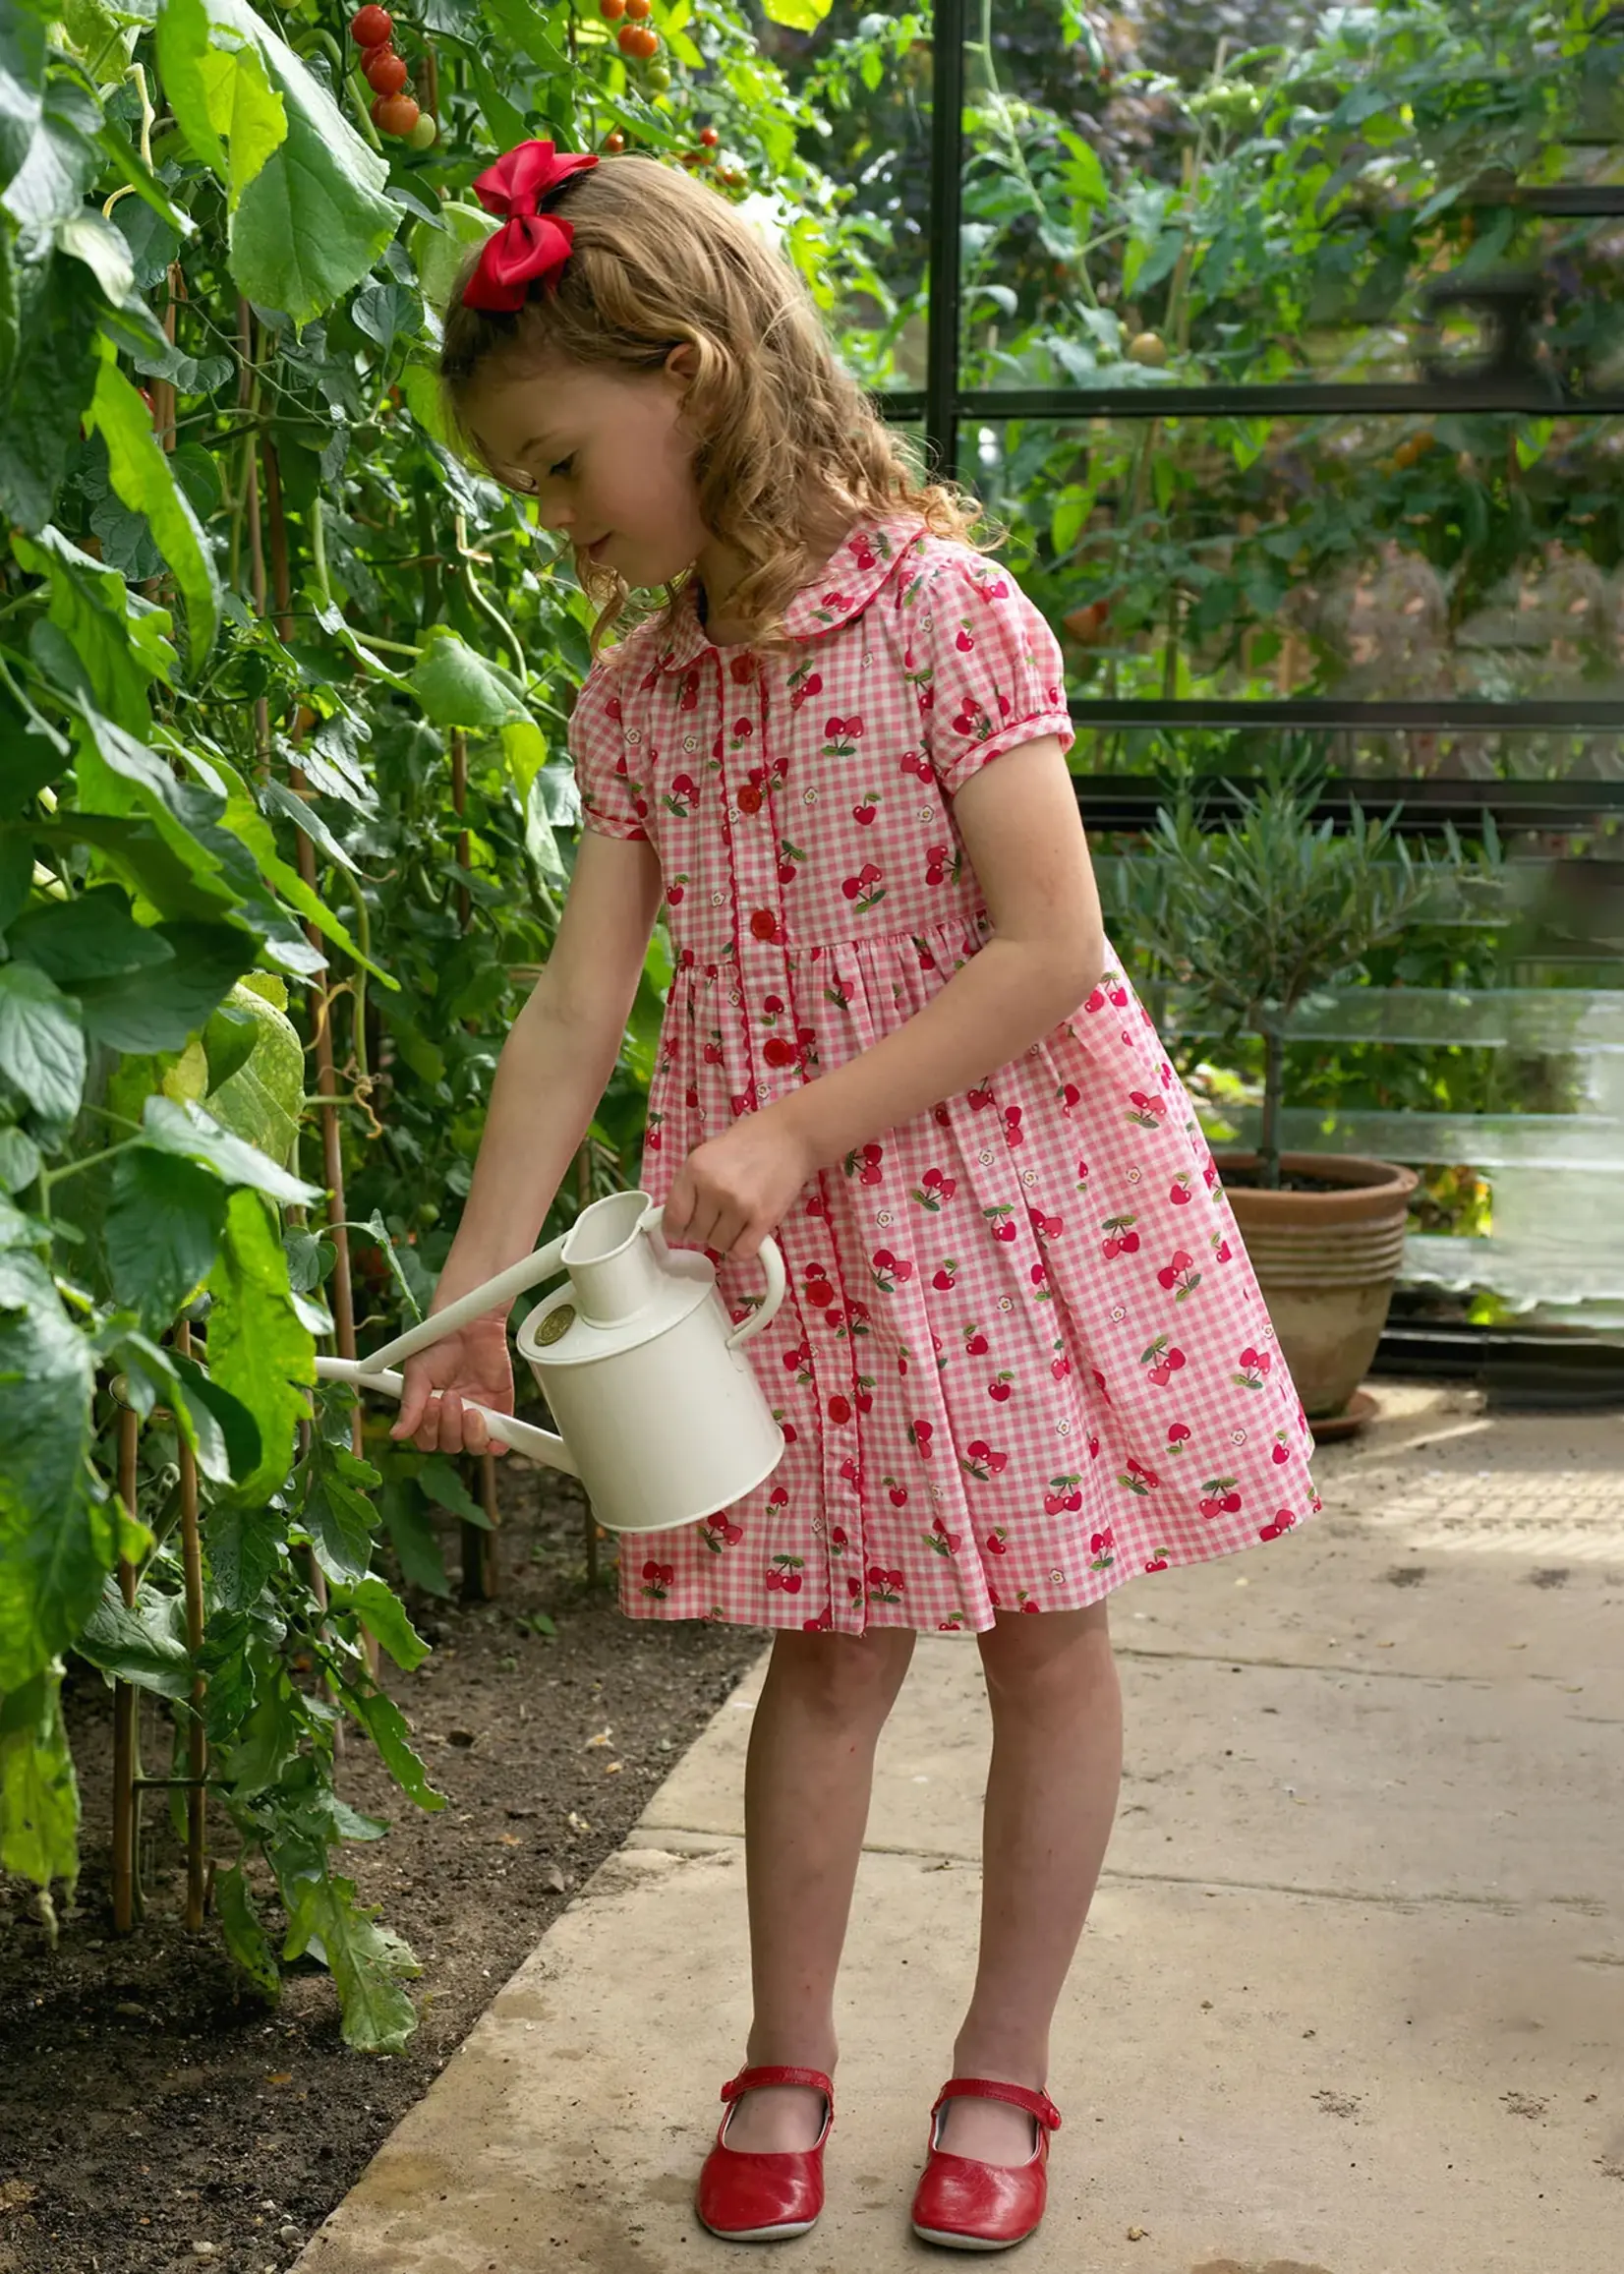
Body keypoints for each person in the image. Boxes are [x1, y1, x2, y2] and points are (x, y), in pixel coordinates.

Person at [395, 138, 1321, 2254]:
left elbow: (1047, 945)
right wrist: (471, 1291)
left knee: (1039, 1628)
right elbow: (569, 1010)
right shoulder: (642, 697)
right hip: (792, 1258)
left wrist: (802, 1123)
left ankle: (1002, 2067)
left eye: (556, 466)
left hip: (1002, 1194)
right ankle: (786, 2057)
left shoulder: (943, 614)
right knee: (820, 1651)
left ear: (691, 374)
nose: (549, 519)